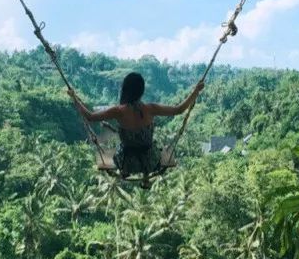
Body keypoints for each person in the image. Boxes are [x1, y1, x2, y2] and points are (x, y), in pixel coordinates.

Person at [68, 72, 204, 187]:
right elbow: (179, 109)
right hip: (150, 160)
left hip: (126, 161)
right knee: (152, 148)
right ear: (142, 90)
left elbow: (90, 117)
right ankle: (146, 174)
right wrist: (196, 91)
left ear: (125, 90)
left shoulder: (118, 111)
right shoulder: (151, 109)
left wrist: (74, 98)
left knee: (122, 149)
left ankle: (125, 171)